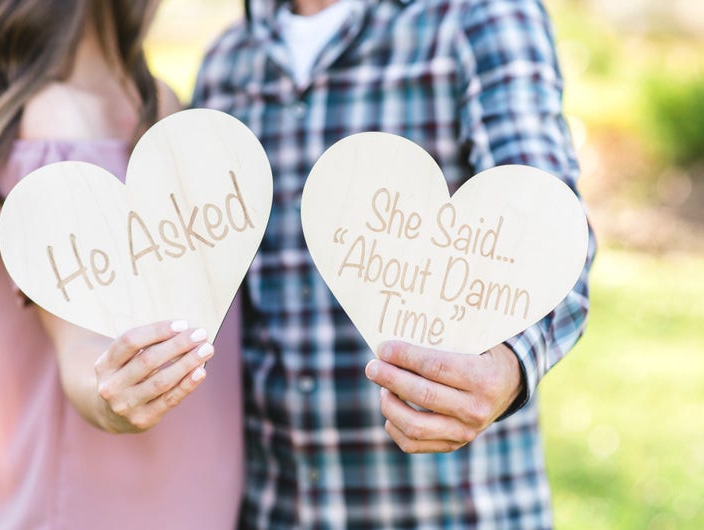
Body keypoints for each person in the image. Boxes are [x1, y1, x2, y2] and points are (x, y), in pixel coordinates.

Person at [193, 0, 596, 527]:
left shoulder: (479, 16)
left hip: (448, 509)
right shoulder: (226, 65)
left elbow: (550, 227)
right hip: (277, 507)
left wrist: (507, 365)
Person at [0, 1, 242, 528]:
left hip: (185, 487)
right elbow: (82, 349)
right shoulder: (53, 125)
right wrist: (114, 397)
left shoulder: (156, 105)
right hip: (100, 500)